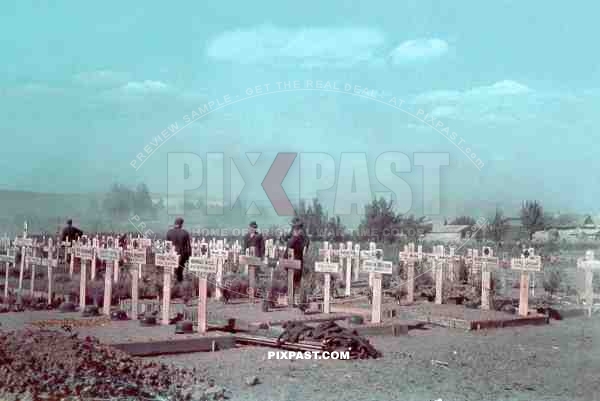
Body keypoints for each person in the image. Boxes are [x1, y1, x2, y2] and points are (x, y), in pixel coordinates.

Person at [285, 223, 308, 307]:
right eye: (296, 230)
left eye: (298, 230)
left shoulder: (301, 239)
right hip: (292, 263)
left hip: (298, 263)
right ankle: (291, 300)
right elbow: (288, 250)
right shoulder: (293, 240)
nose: (298, 232)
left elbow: (305, 247)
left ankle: (295, 301)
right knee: (292, 283)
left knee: (296, 283)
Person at [166, 217, 191, 282]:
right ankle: (178, 285)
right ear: (181, 224)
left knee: (171, 271)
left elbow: (167, 246)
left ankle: (172, 284)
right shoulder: (185, 233)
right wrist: (188, 258)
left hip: (171, 256)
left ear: (175, 224)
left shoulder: (169, 232)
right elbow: (188, 247)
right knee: (180, 273)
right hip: (181, 255)